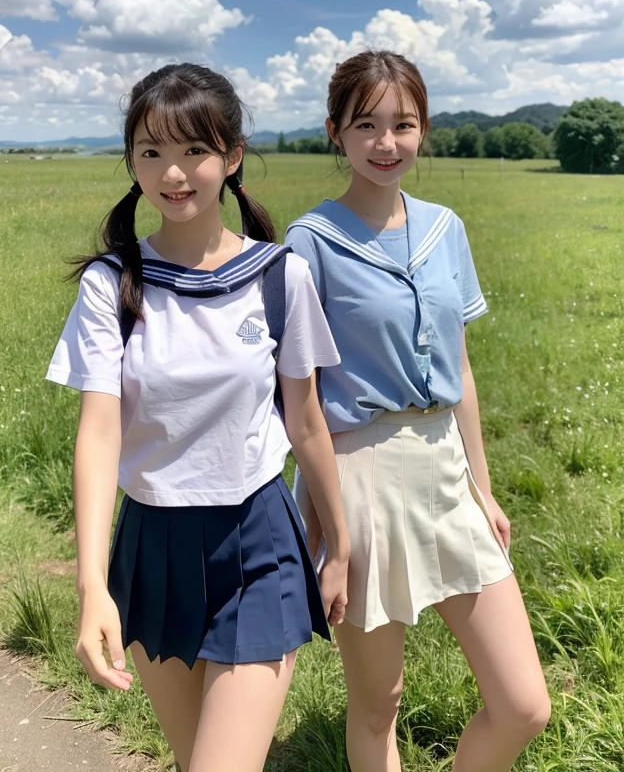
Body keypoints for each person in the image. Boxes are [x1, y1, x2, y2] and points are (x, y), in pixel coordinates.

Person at [46, 63, 349, 772]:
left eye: (194, 151)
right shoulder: (111, 285)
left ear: (232, 156)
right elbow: (99, 433)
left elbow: (306, 423)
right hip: (155, 543)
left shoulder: (279, 277)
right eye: (151, 152)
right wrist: (92, 585)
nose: (173, 173)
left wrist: (340, 542)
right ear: (131, 162)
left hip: (260, 540)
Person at [286, 51, 550, 772]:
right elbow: (299, 397)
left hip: (445, 470)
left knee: (525, 704)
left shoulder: (445, 228)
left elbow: (458, 368)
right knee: (380, 704)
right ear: (335, 131)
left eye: (403, 124)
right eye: (366, 124)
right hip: (361, 478)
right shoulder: (309, 243)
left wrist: (482, 487)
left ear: (423, 130)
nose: (386, 143)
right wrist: (330, 536)